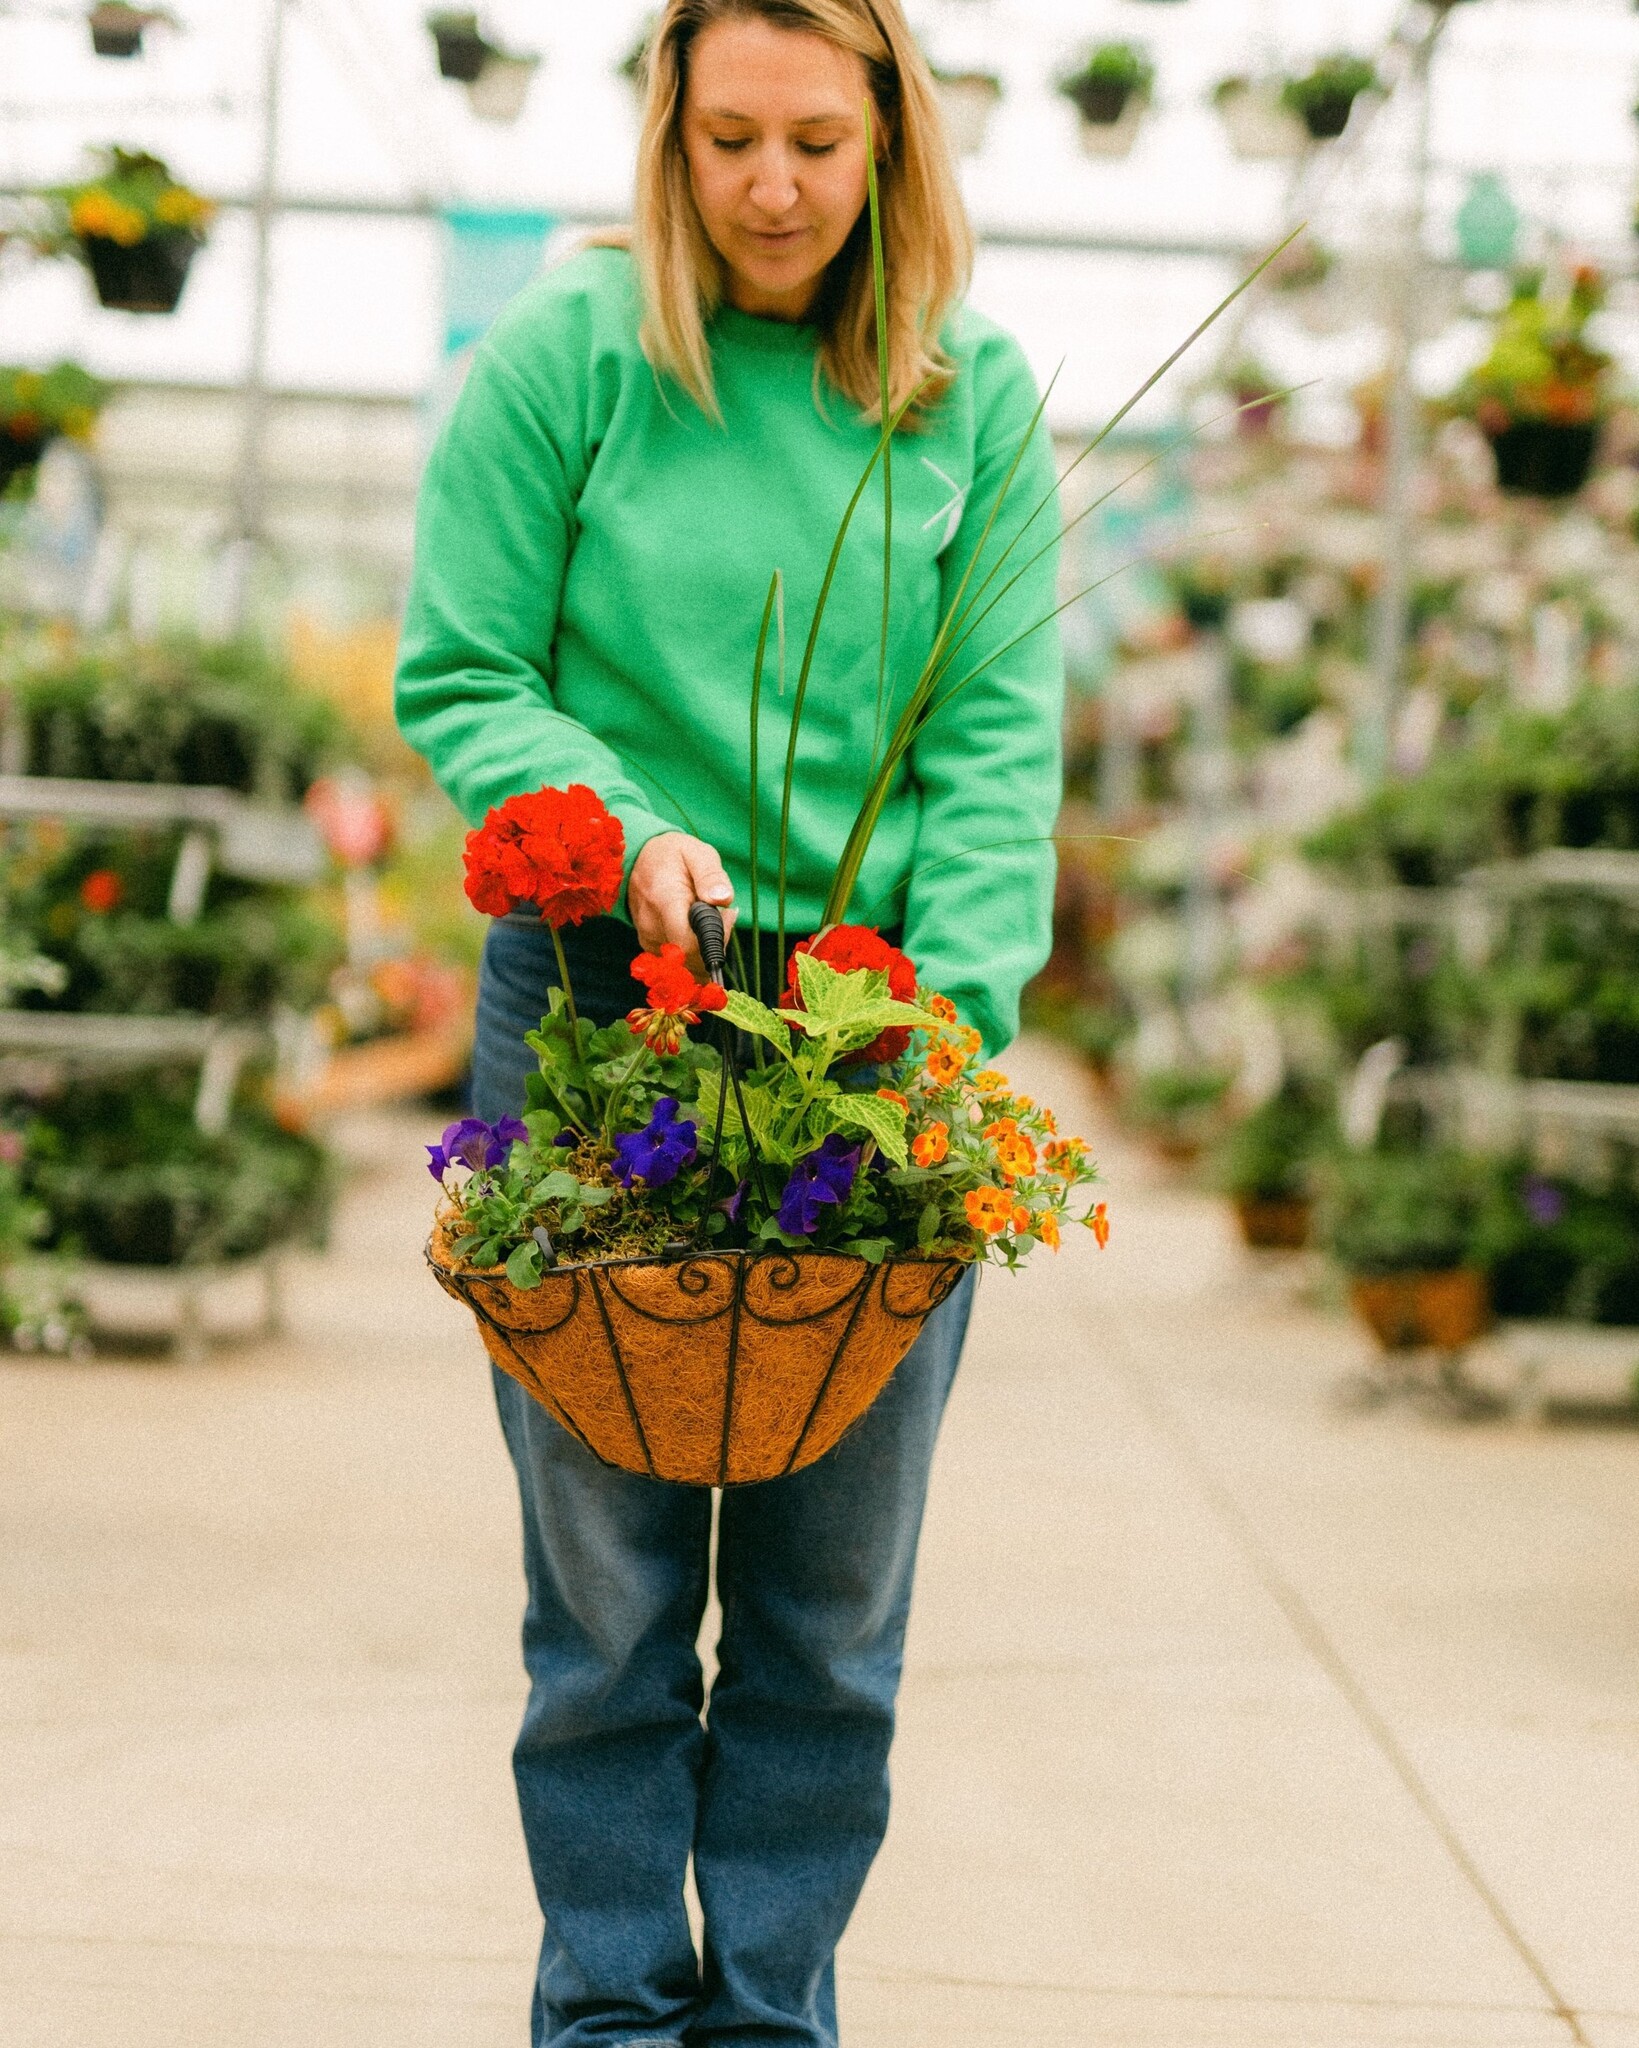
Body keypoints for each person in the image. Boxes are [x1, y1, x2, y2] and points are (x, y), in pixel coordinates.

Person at [394, 2, 1061, 2041]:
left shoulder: (969, 399)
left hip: (858, 1021)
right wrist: (626, 830)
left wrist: (931, 1042)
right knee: (602, 1606)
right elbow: (462, 672)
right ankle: (604, 2014)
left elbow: (995, 744)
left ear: (892, 155)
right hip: (603, 986)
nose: (771, 188)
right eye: (729, 141)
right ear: (669, 143)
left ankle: (771, 2010)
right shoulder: (570, 358)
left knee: (829, 1608)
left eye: (817, 147)